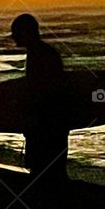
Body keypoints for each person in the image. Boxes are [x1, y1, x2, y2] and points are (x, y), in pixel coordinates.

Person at [11, 14, 69, 186]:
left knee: (46, 170)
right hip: (53, 121)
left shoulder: (40, 54)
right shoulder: (41, 52)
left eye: (15, 32)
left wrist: (31, 120)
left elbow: (42, 91)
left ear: (25, 32)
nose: (13, 37)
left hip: (47, 121)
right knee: (49, 170)